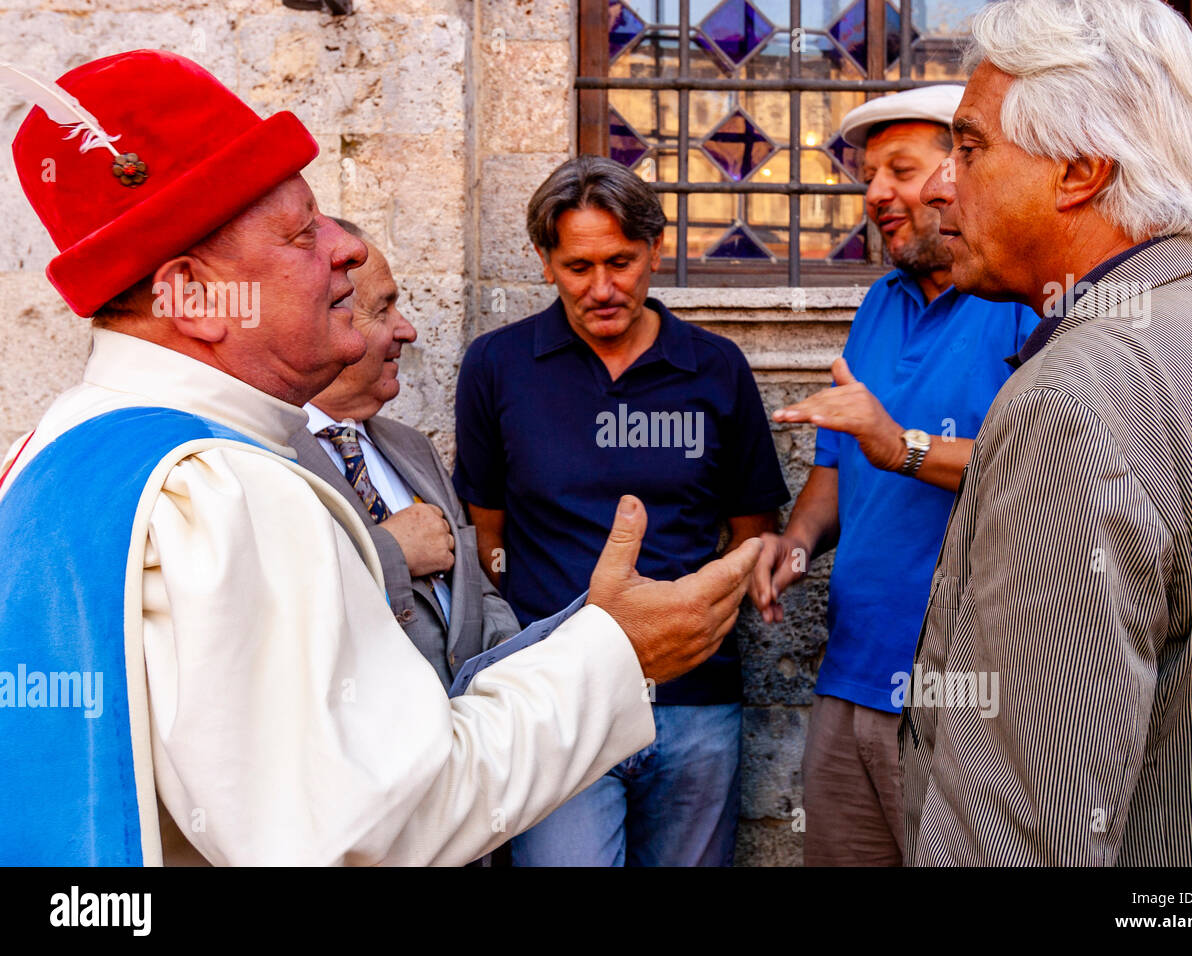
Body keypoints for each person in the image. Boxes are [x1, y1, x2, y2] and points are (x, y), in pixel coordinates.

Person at [0, 50, 760, 866]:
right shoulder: (227, 492)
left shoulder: (46, 454)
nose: (348, 251)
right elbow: (382, 825)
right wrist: (617, 651)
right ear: (196, 293)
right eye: (301, 232)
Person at [903, 0, 1192, 865]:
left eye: (969, 149)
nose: (941, 184)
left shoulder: (1077, 398)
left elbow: (1024, 828)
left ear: (1079, 171)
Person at [453, 155, 790, 866]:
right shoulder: (497, 365)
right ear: (545, 262)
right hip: (555, 701)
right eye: (578, 267)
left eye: (621, 262)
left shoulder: (716, 366)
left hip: (696, 703)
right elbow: (487, 533)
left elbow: (750, 527)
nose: (603, 288)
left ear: (655, 252)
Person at [747, 86, 1037, 866]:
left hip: (964, 693)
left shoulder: (1020, 302)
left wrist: (903, 445)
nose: (875, 195)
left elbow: (1047, 470)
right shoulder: (880, 301)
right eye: (869, 175)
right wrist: (796, 544)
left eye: (900, 171)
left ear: (966, 171)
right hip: (851, 674)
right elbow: (842, 462)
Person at [290, 219, 517, 692]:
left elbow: (478, 592)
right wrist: (391, 553)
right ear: (325, 315)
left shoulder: (411, 446)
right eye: (384, 308)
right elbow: (283, 608)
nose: (408, 330)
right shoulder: (266, 452)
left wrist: (515, 691)